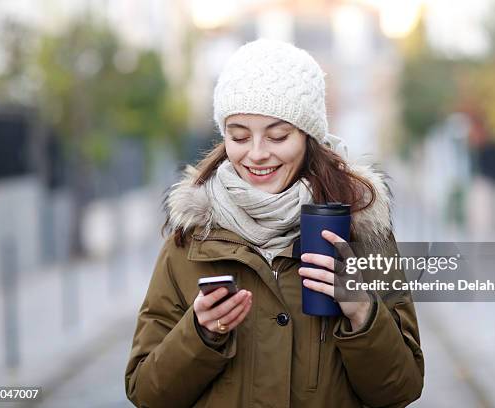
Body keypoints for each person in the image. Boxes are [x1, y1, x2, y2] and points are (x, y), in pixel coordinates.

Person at [125, 39, 424, 408]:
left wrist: (363, 310)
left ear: (308, 137)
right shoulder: (190, 238)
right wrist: (199, 333)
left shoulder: (362, 231)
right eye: (238, 135)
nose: (256, 153)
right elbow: (145, 393)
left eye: (278, 135)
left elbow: (402, 388)